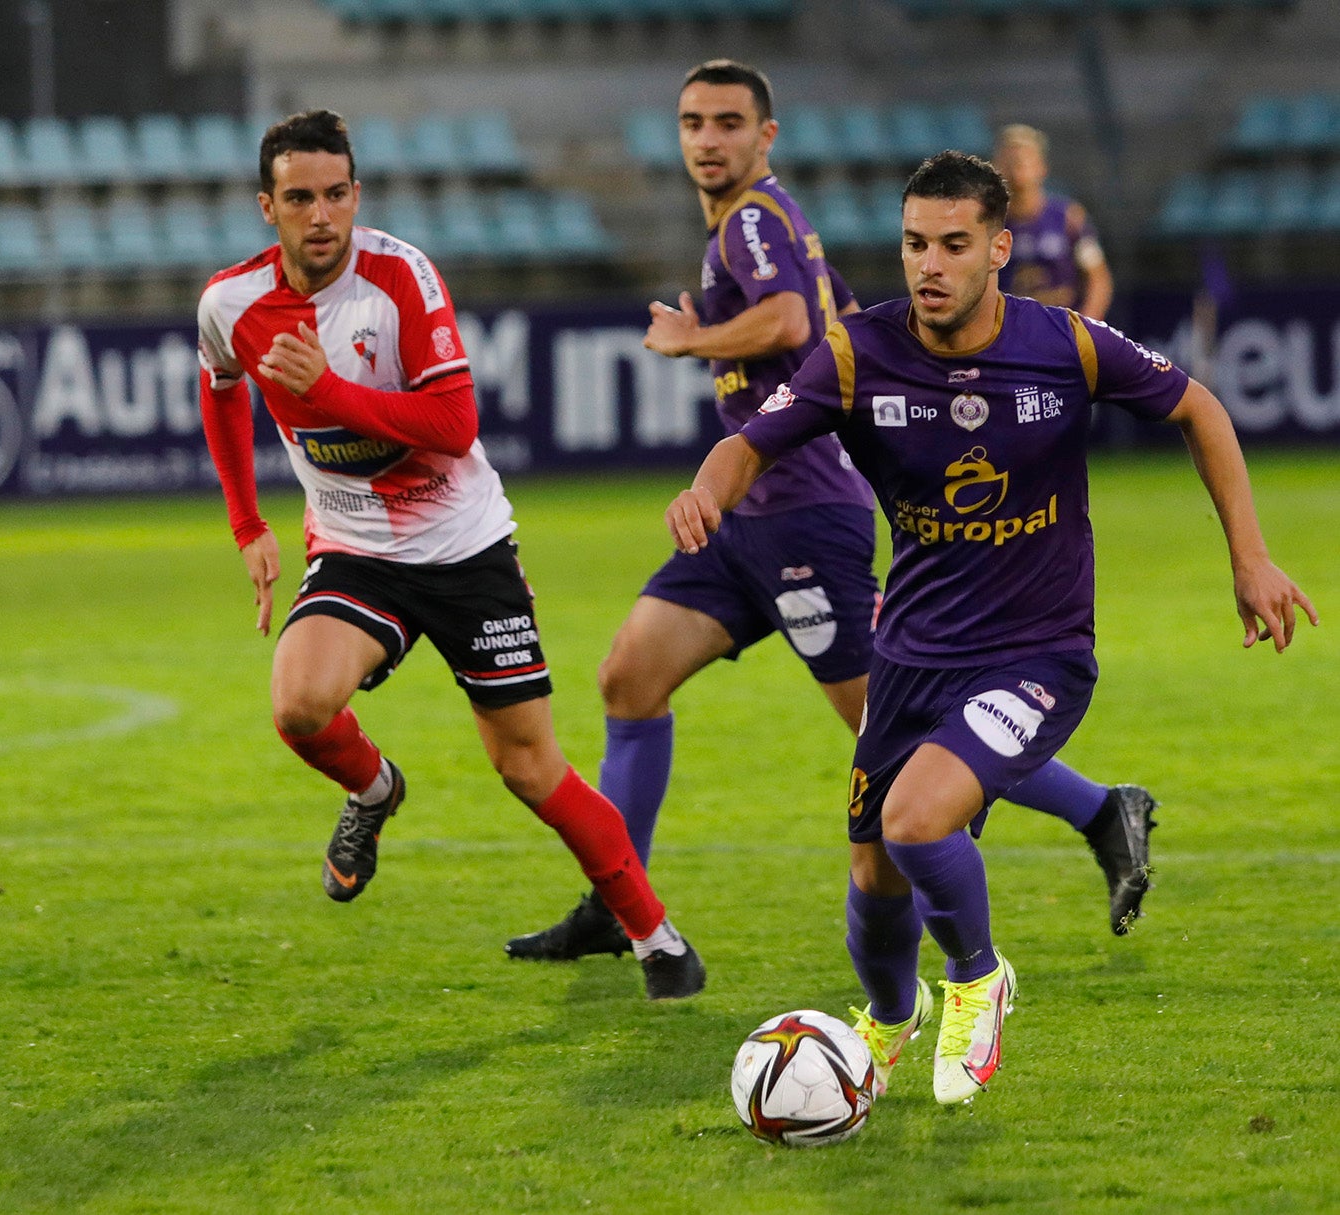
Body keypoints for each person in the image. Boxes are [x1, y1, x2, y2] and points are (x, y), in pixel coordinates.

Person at [665, 149, 1316, 1104]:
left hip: (1037, 653)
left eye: (954, 244)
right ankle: (886, 1026)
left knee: (916, 820)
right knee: (873, 872)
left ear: (999, 249)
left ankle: (977, 975)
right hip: (912, 655)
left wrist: (1249, 556)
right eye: (914, 243)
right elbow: (748, 442)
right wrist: (706, 492)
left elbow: (1199, 408)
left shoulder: (1068, 345)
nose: (929, 264)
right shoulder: (858, 352)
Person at [505, 60, 1156, 968]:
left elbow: (781, 322)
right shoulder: (770, 223)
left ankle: (1094, 811)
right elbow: (839, 318)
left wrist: (694, 338)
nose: (708, 139)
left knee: (896, 731)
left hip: (806, 513)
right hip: (743, 520)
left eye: (728, 122)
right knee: (628, 676)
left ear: (764, 136)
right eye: (693, 122)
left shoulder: (756, 221)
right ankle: (624, 903)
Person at [195, 109, 704, 1001]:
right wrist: (248, 526)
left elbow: (453, 426)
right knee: (301, 704)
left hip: (465, 547)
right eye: (301, 198)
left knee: (527, 766)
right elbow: (221, 389)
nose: (323, 215)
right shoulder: (229, 302)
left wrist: (331, 392)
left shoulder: (399, 277)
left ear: (356, 195)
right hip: (356, 547)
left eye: (337, 195)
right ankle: (375, 788)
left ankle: (656, 937)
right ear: (266, 207)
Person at [994, 123, 1114, 321]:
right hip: (1007, 334)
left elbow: (1098, 279)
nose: (1017, 169)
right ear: (996, 166)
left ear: (1042, 167)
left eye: (1024, 161)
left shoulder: (1069, 218)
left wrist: (1086, 327)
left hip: (1061, 330)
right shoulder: (987, 222)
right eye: (1009, 161)